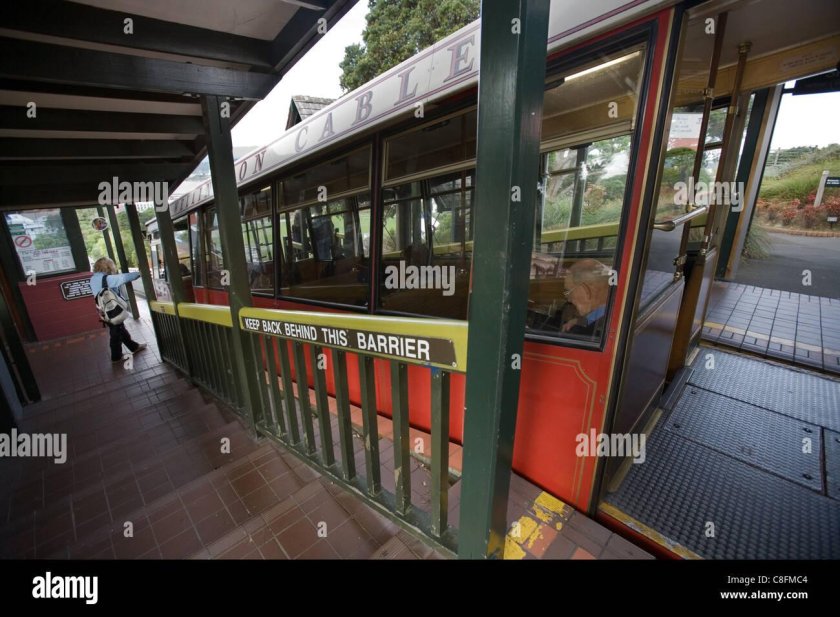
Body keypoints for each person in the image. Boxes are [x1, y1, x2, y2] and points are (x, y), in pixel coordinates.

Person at [90, 257, 146, 362]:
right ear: (107, 266)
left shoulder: (94, 278)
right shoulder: (106, 279)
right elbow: (123, 278)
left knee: (119, 328)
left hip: (104, 309)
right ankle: (116, 357)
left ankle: (134, 347)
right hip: (112, 310)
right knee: (115, 332)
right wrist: (139, 273)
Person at [562, 258, 612, 338]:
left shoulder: (595, 334)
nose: (569, 299)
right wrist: (581, 321)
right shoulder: (610, 311)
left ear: (585, 291)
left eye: (569, 292)